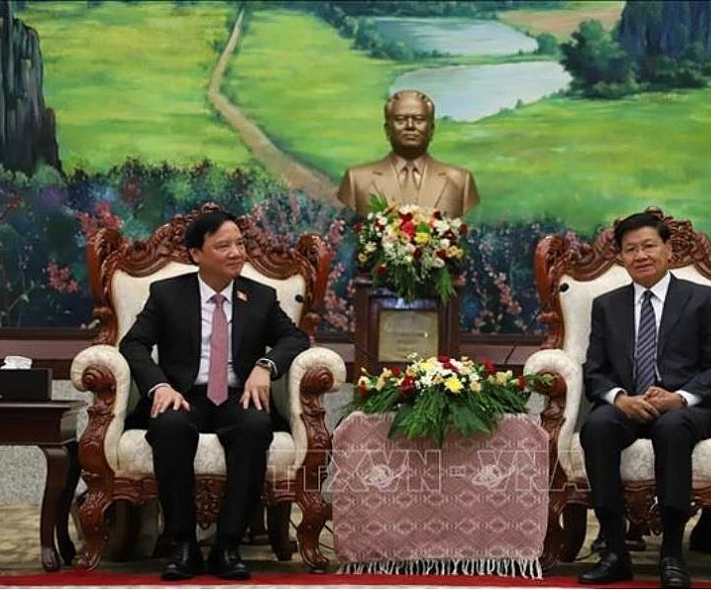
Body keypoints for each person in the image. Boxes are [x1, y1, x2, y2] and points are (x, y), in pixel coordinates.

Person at [120, 210, 310, 581]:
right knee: (170, 426)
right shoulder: (167, 294)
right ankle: (183, 545)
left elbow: (295, 339)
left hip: (239, 397)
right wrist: (159, 386)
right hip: (184, 395)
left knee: (255, 427)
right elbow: (134, 345)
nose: (237, 252)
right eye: (223, 246)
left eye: (240, 243)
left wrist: (265, 366)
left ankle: (228, 546)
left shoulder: (260, 296)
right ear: (196, 254)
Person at [579, 212, 711, 589]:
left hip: (684, 408)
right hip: (630, 404)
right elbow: (594, 370)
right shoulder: (606, 305)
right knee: (597, 426)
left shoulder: (702, 299)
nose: (641, 255)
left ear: (668, 249)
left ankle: (671, 554)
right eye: (630, 249)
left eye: (649, 245)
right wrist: (619, 399)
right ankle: (615, 551)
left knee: (672, 427)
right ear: (620, 257)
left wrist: (680, 398)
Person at [336, 89, 479, 218]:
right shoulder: (357, 180)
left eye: (419, 119)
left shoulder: (460, 181)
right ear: (387, 129)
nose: (410, 126)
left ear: (432, 130)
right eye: (400, 119)